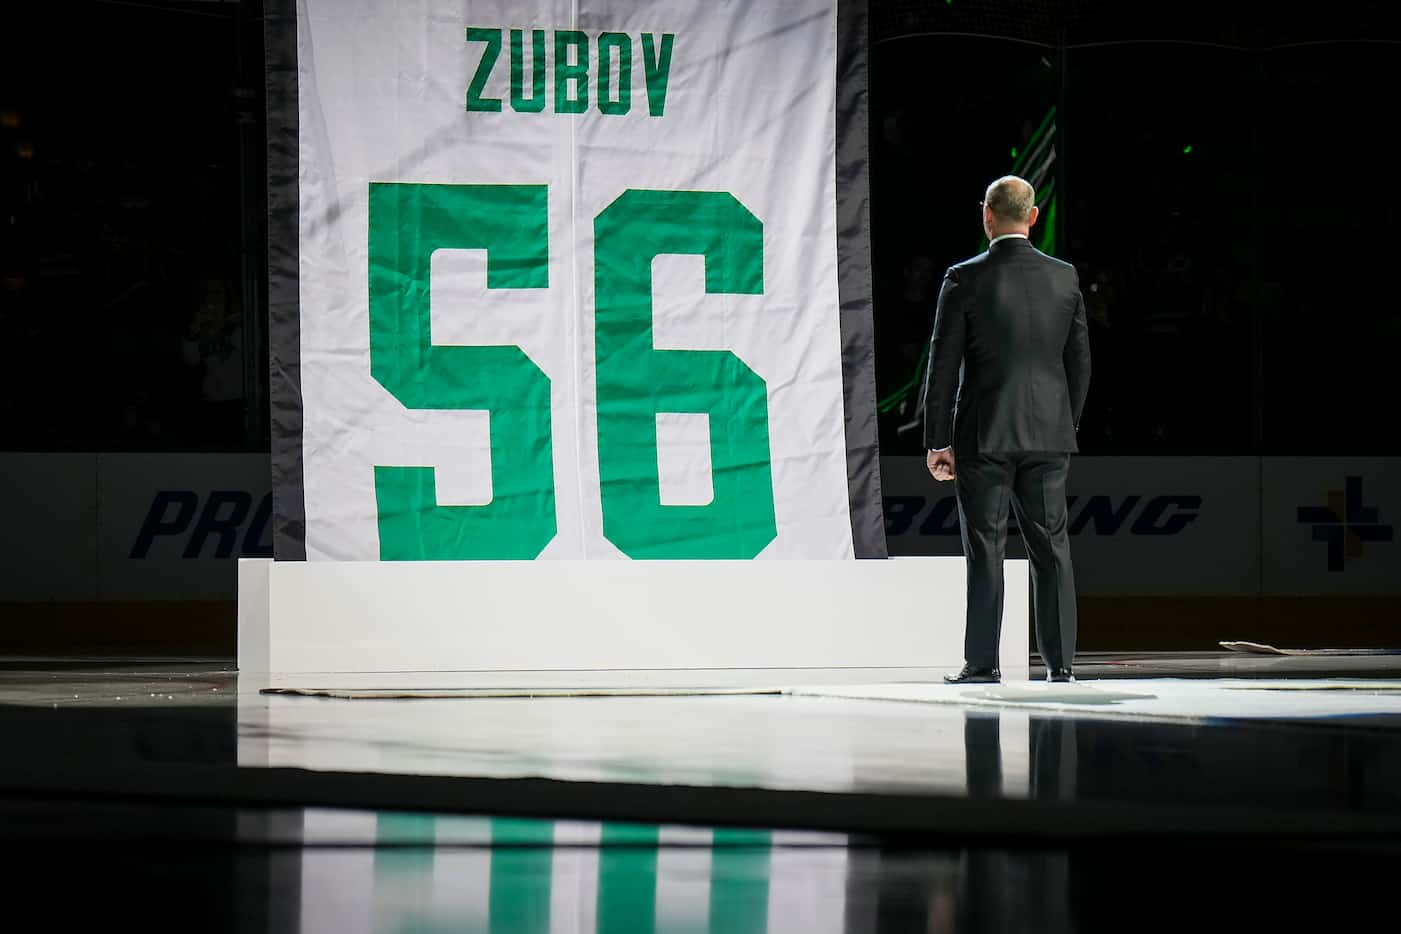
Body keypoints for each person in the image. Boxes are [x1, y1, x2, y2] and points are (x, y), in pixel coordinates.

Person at [922, 175, 1091, 684]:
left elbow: (943, 365)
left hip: (985, 436)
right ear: (1034, 217)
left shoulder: (964, 278)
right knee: (1052, 549)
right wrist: (1067, 421)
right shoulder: (1065, 278)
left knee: (986, 549)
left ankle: (982, 665)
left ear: (987, 216)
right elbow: (1080, 362)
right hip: (1048, 437)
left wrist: (937, 439)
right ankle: (1060, 667)